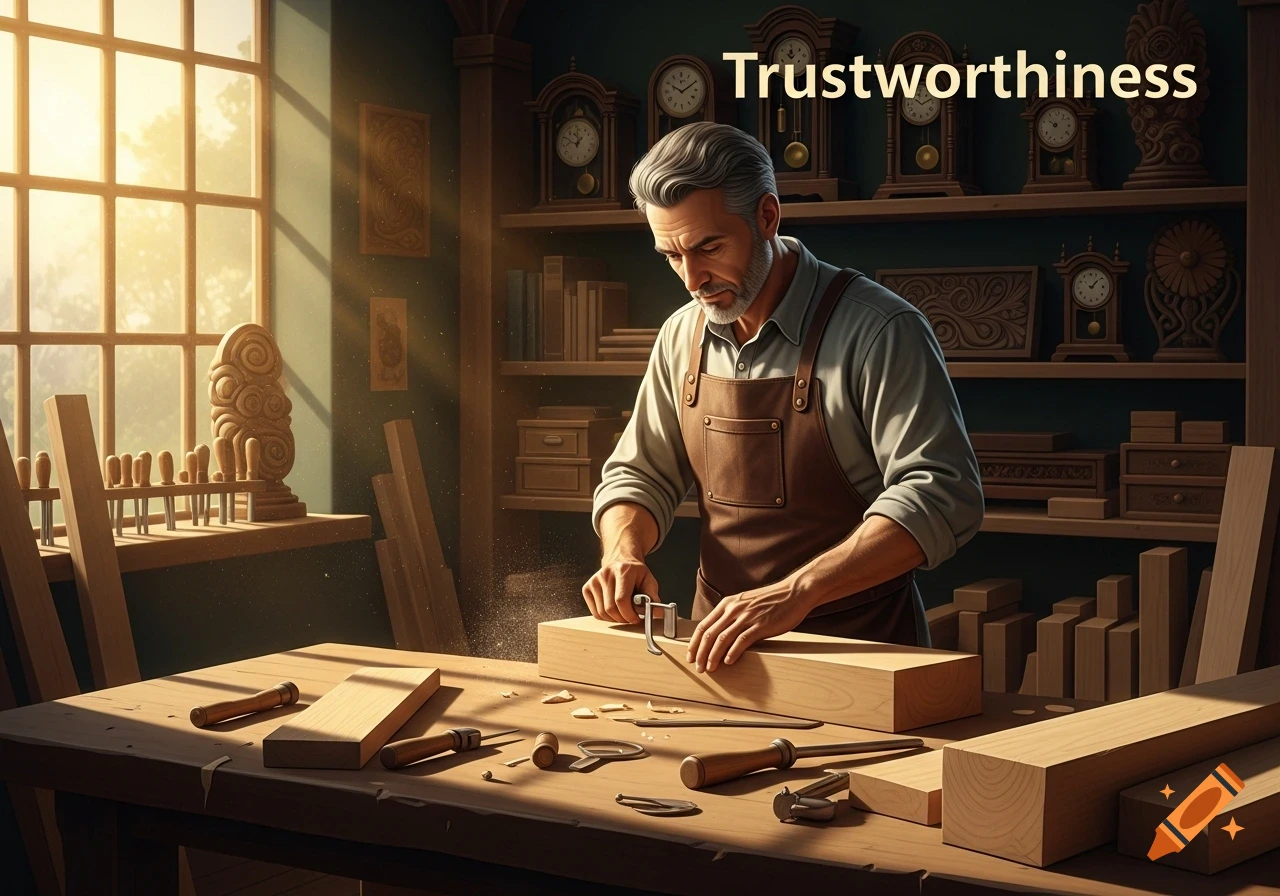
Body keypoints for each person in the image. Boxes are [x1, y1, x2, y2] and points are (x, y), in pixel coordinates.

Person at [583, 121, 983, 674]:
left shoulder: (880, 330)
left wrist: (797, 592)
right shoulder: (681, 335)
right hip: (719, 654)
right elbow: (639, 474)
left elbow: (941, 493)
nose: (692, 279)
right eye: (672, 256)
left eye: (708, 247)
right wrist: (622, 550)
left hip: (862, 653)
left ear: (768, 216)